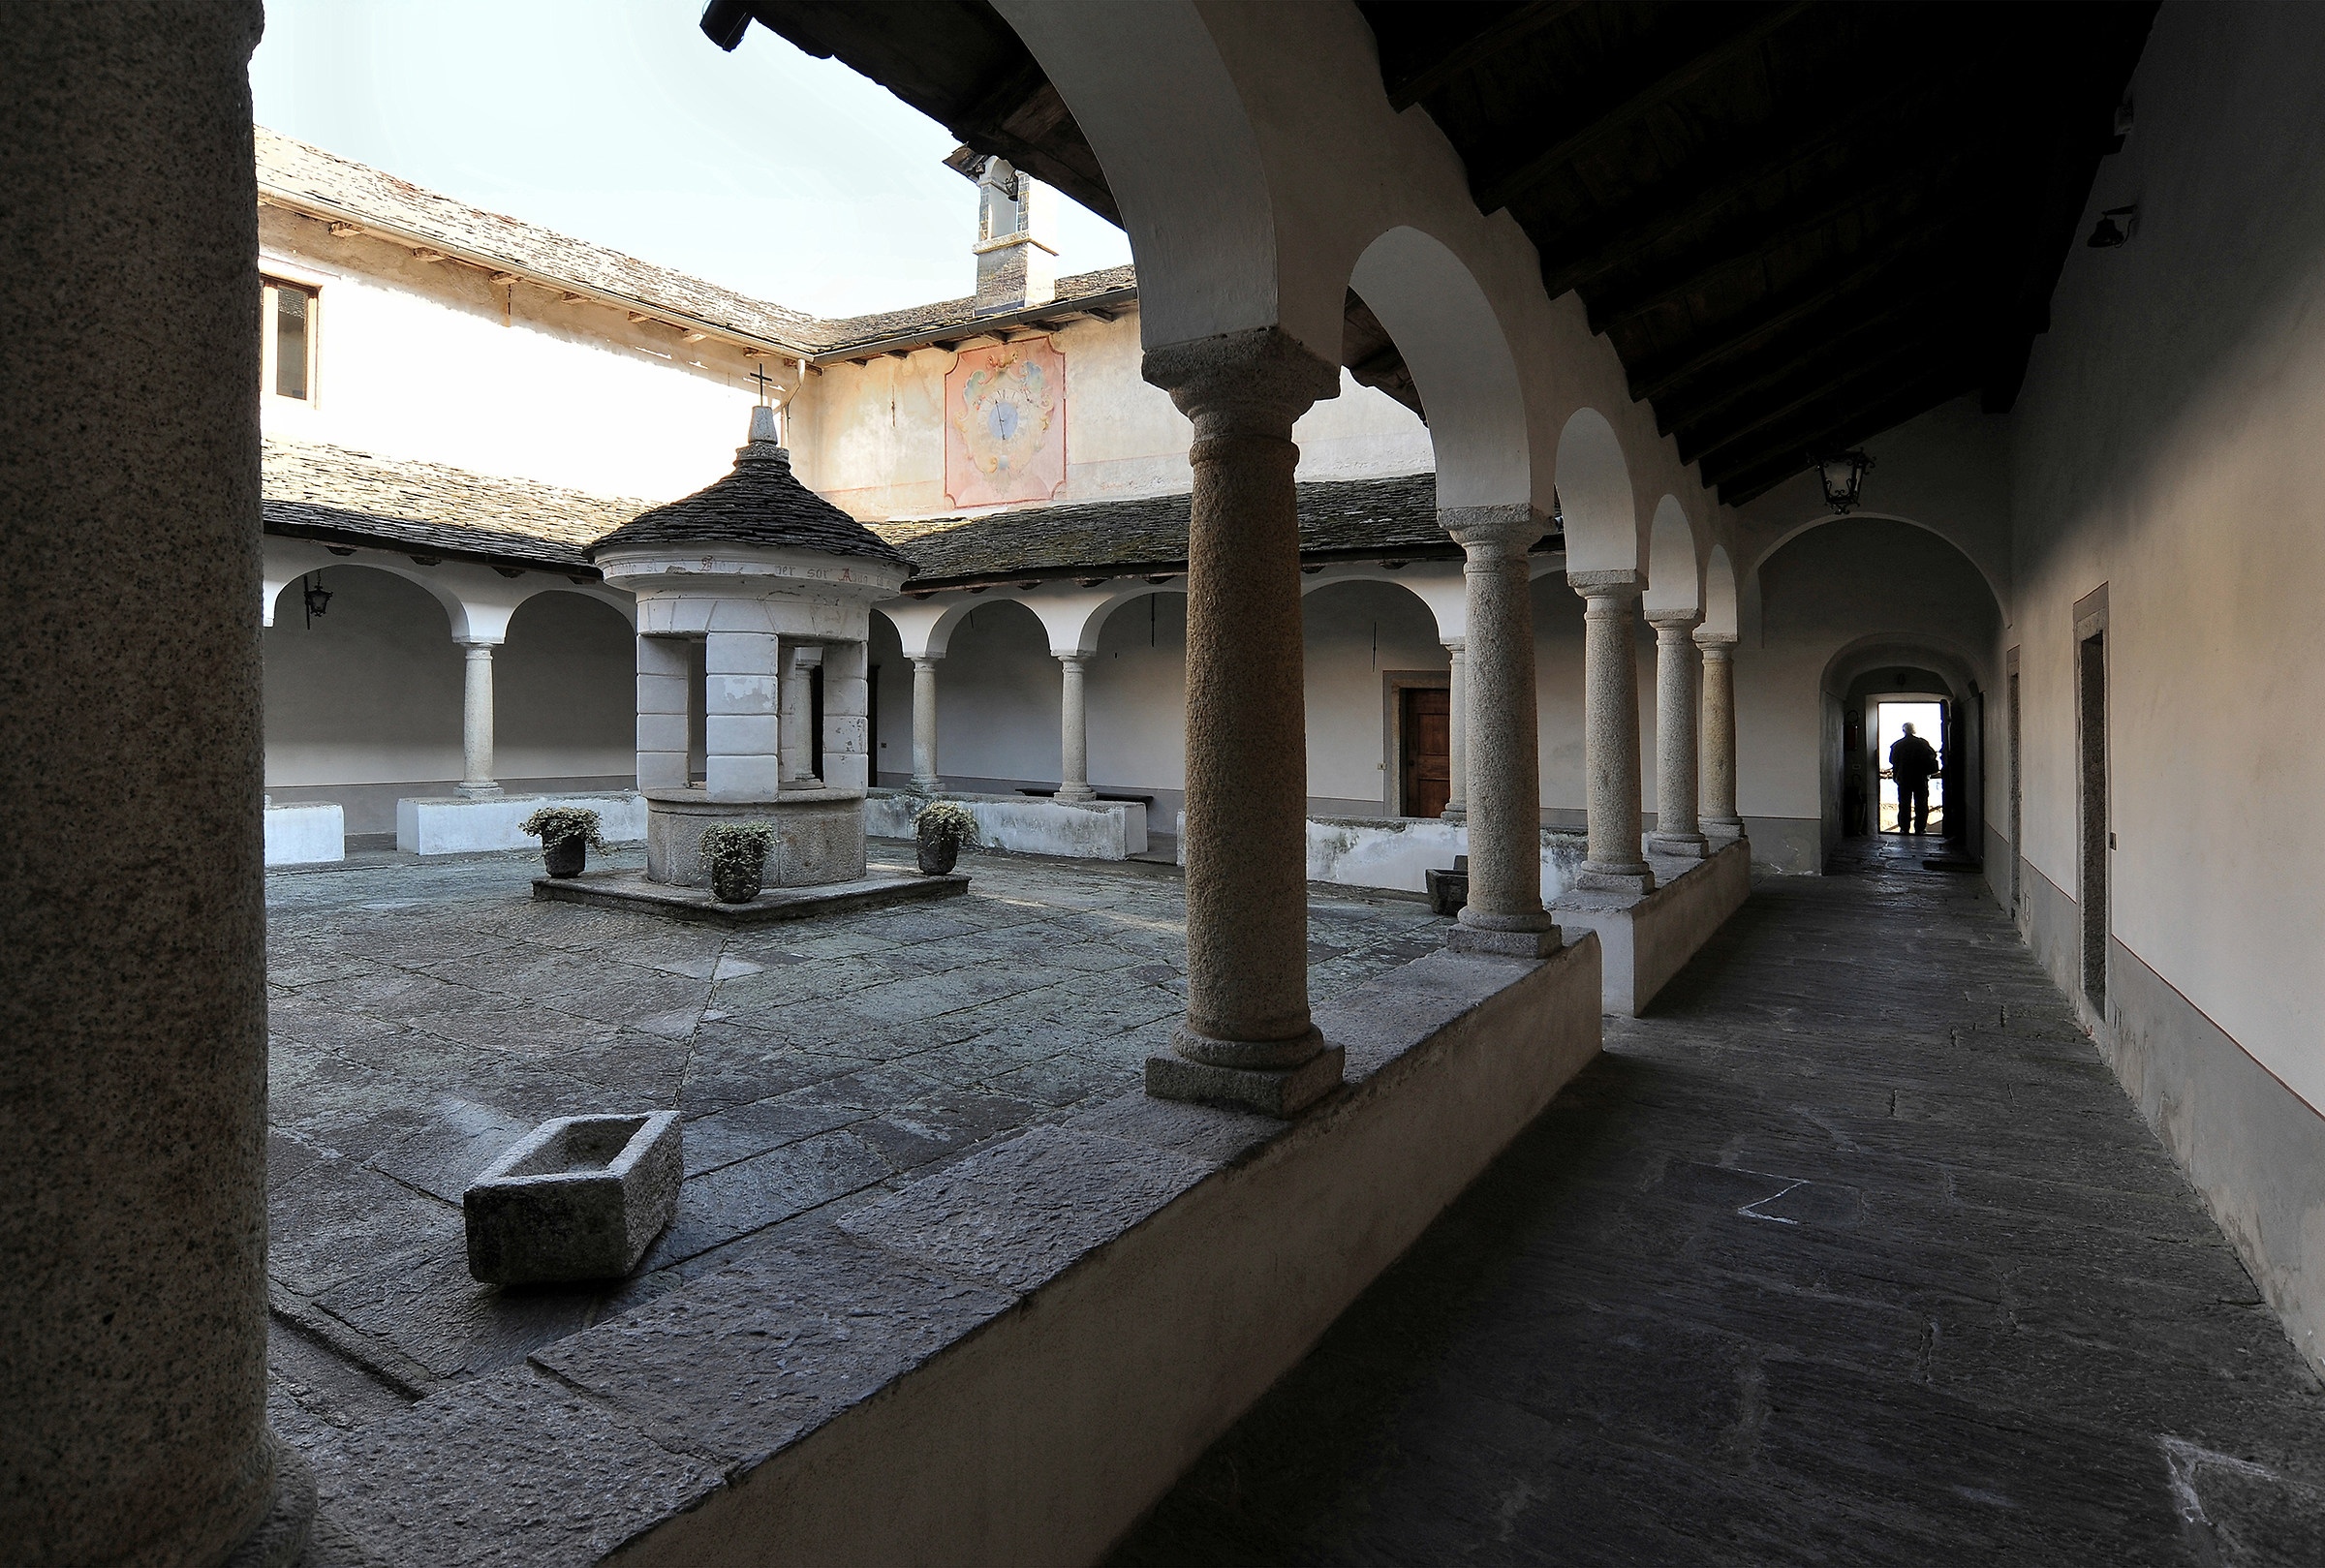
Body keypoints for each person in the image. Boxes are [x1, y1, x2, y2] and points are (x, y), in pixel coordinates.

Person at [1888, 722, 1941, 835]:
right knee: (1922, 804)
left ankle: (1904, 828)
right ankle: (1920, 828)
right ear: (1914, 730)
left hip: (1904, 779)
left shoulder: (1897, 745)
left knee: (1904, 804)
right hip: (1920, 778)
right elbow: (1932, 756)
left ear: (1904, 731)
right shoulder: (1922, 743)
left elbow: (1892, 761)